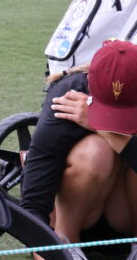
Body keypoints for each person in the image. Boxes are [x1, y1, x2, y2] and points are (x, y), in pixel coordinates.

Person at [22, 40, 137, 243]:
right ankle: (67, 241)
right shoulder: (67, 97)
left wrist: (100, 125)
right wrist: (48, 249)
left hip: (122, 216)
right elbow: (34, 204)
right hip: (79, 214)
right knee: (97, 150)